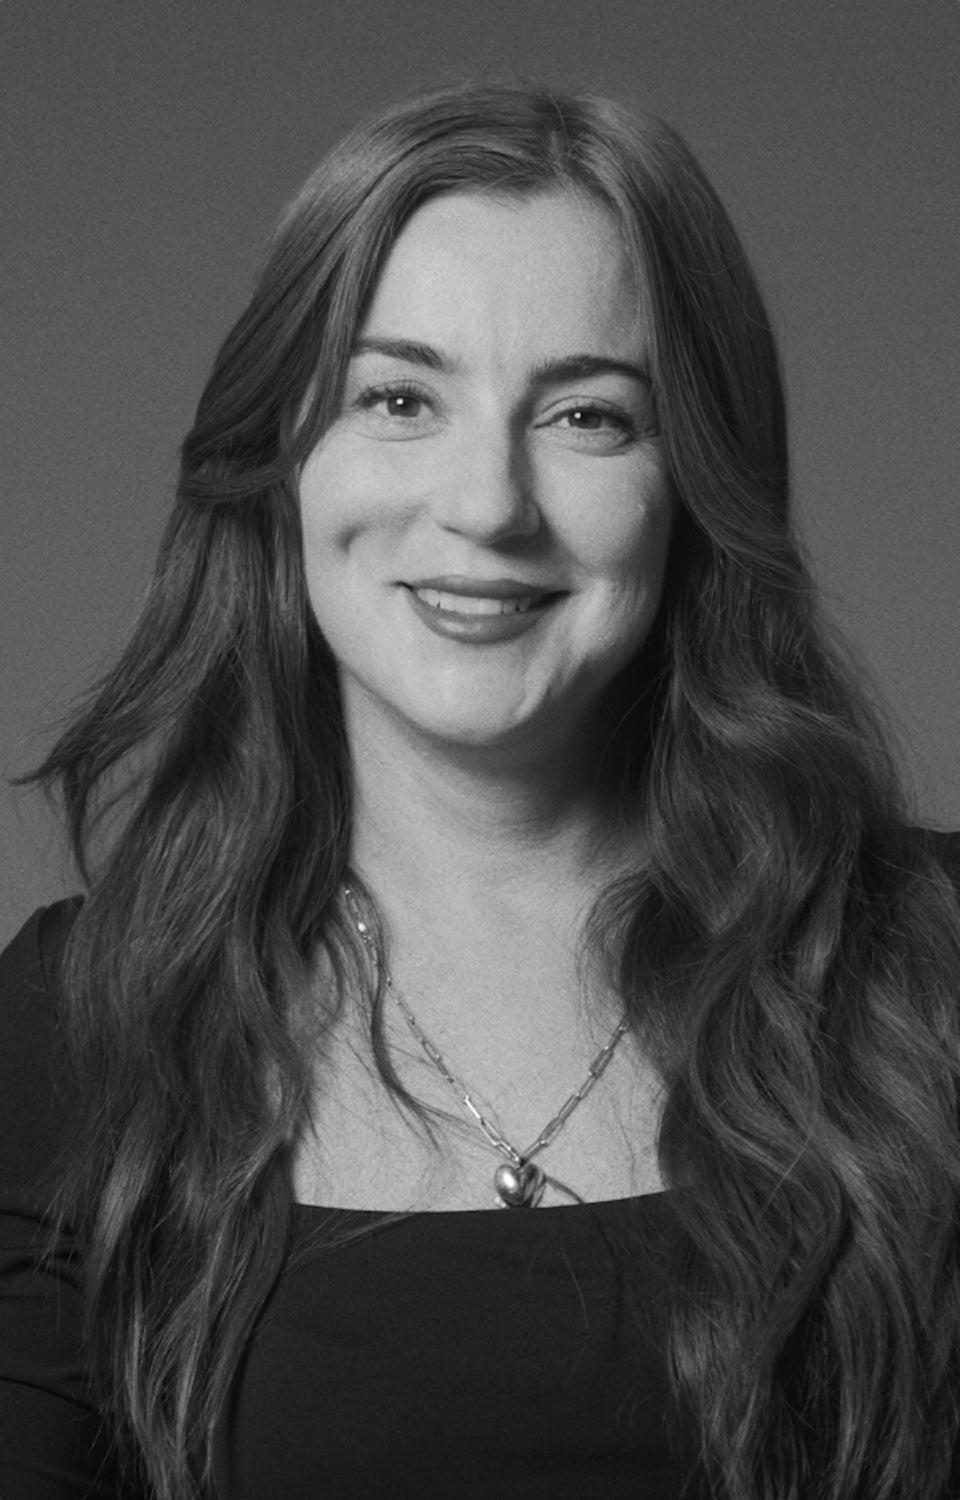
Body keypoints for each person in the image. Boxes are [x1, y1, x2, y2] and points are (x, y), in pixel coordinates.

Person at [1, 79, 959, 1500]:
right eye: (399, 399)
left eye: (587, 415)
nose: (488, 505)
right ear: (282, 462)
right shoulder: (79, 1023)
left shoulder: (932, 967)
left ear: (698, 480)